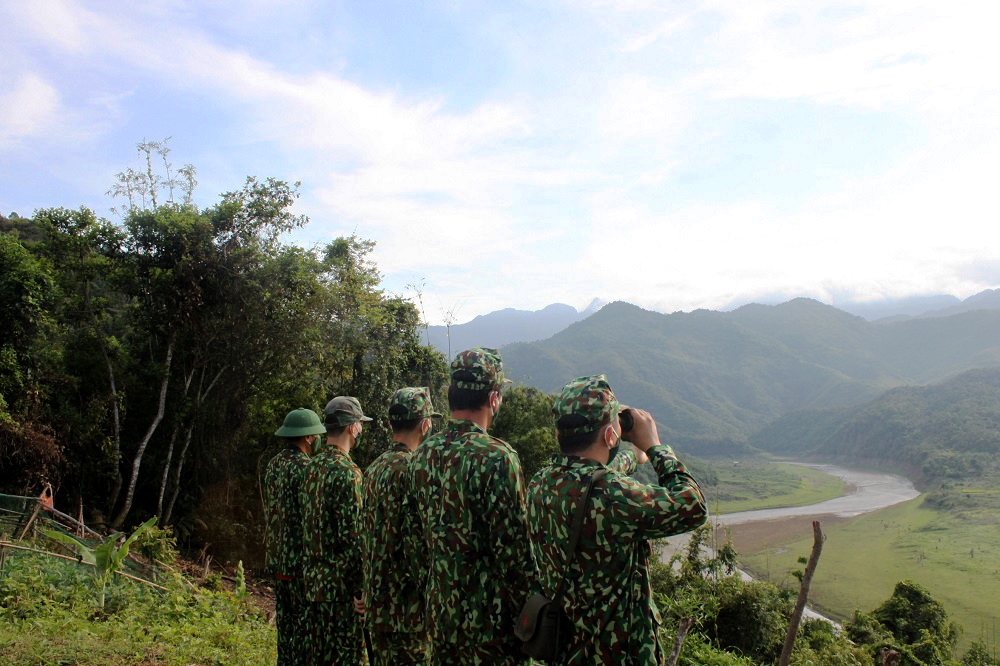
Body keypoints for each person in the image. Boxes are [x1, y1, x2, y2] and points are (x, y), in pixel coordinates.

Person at [525, 375, 708, 665]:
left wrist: (634, 456)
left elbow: (594, 473)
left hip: (565, 652)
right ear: (611, 436)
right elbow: (694, 506)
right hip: (621, 656)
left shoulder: (540, 484)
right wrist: (654, 447)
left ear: (560, 434)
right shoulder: (615, 496)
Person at [408, 347, 533, 665]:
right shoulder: (497, 457)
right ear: (494, 399)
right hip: (490, 630)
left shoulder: (423, 453)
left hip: (441, 618)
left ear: (449, 394)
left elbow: (417, 541)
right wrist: (531, 617)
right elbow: (515, 556)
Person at [362, 387, 441, 665]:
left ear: (389, 423)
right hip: (408, 612)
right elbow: (416, 545)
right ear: (425, 424)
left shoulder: (373, 469)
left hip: (377, 606)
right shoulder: (414, 470)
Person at [301, 396, 373, 665]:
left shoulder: (311, 468)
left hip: (313, 586)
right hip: (340, 593)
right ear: (352, 427)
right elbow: (353, 538)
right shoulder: (348, 472)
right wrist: (360, 589)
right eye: (360, 424)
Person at [264, 407, 327, 666]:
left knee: (285, 627)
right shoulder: (307, 469)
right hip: (300, 562)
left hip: (278, 559)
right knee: (303, 631)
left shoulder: (273, 464)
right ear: (309, 437)